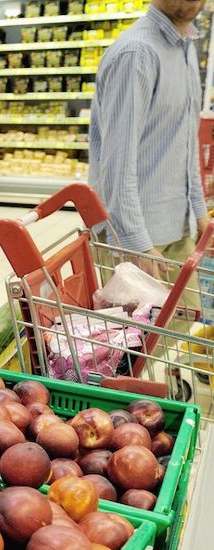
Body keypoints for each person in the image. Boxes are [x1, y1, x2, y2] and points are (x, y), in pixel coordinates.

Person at [89, 0, 208, 318]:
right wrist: (136, 244)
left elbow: (184, 142)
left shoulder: (186, 46)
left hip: (176, 227)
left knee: (180, 337)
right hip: (136, 238)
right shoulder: (136, 53)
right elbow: (116, 164)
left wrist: (198, 211)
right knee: (135, 354)